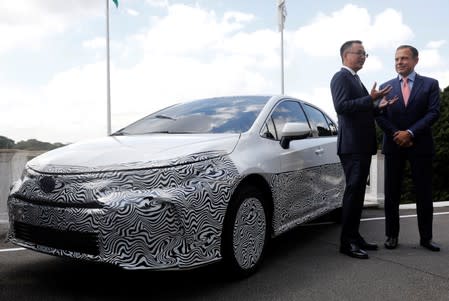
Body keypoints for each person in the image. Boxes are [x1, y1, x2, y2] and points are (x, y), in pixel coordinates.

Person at [331, 40, 397, 259]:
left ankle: (354, 236)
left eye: (364, 54)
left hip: (361, 145)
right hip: (351, 146)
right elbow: (342, 107)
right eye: (359, 53)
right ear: (345, 55)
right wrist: (370, 99)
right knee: (353, 193)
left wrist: (378, 107)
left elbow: (360, 110)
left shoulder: (355, 79)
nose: (363, 57)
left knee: (358, 194)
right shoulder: (341, 77)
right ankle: (347, 243)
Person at [376, 45, 441, 251]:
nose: (399, 62)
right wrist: (398, 134)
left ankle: (426, 238)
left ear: (415, 60)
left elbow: (433, 113)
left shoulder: (430, 84)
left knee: (424, 193)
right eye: (396, 59)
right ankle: (391, 236)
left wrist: (410, 133)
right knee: (392, 193)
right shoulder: (385, 87)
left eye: (404, 58)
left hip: (420, 145)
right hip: (394, 145)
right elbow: (379, 115)